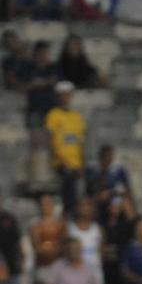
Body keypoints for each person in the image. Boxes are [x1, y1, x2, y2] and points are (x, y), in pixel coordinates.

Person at [46, 81, 86, 213]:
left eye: (68, 95)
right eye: (62, 95)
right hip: (61, 164)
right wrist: (62, 162)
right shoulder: (53, 115)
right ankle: (68, 214)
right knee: (69, 191)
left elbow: (80, 143)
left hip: (76, 164)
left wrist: (81, 164)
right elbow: (51, 141)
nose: (65, 98)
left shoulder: (77, 116)